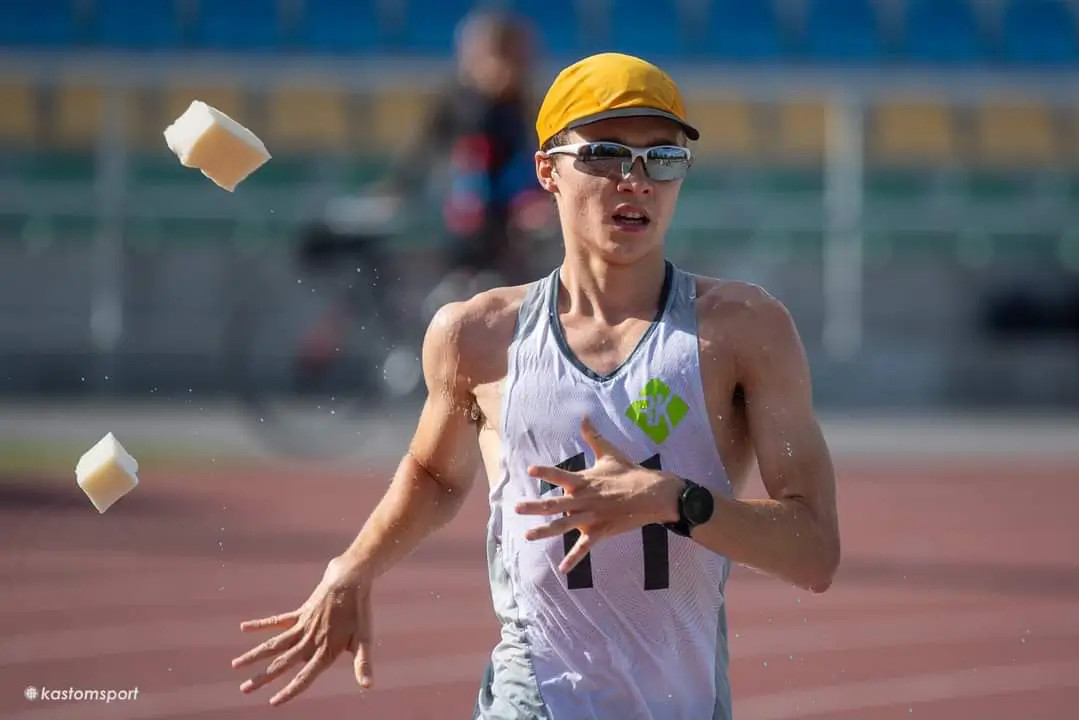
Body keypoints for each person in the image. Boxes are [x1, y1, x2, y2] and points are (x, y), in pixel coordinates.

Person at [231, 52, 841, 719]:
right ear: (547, 171)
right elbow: (435, 477)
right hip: (533, 696)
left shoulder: (743, 331)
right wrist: (354, 566)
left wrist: (674, 501)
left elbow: (812, 554)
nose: (634, 180)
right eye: (606, 154)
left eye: (661, 159)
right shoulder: (478, 335)